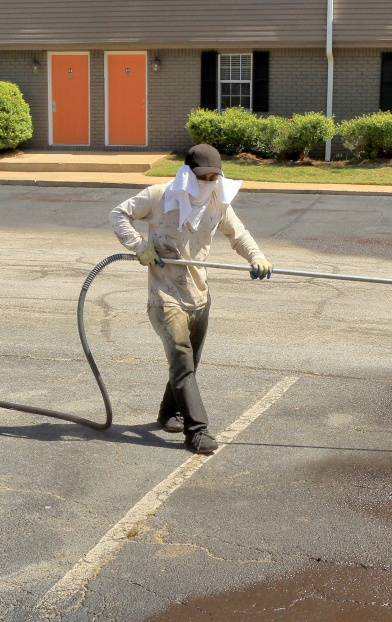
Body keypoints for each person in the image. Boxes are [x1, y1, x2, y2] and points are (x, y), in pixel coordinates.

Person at [110, 144, 272, 454]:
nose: (208, 182)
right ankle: (197, 431)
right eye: (203, 176)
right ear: (188, 173)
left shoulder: (218, 199)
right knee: (182, 361)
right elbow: (118, 214)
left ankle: (168, 412)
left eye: (214, 177)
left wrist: (257, 257)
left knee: (188, 363)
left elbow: (238, 234)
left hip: (199, 294)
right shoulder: (160, 196)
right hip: (165, 295)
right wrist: (140, 246)